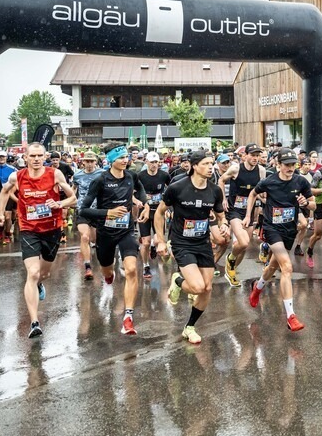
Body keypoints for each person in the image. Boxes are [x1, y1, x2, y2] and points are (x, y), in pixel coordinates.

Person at [0, 142, 77, 338]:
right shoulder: (17, 176)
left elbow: (73, 198)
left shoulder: (54, 174)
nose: (36, 159)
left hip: (52, 228)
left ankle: (40, 283)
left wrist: (58, 203)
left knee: (44, 274)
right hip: (28, 228)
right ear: (26, 157)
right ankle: (34, 322)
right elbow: (5, 191)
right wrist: (0, 213)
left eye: (40, 155)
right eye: (32, 156)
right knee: (32, 273)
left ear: (44, 156)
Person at [155, 150, 229, 345]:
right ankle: (178, 280)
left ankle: (189, 327)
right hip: (181, 242)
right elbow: (160, 213)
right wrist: (161, 240)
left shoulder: (214, 190)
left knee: (207, 288)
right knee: (197, 287)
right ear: (195, 166)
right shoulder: (177, 188)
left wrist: (224, 225)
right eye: (205, 163)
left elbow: (220, 215)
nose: (210, 166)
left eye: (211, 163)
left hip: (202, 242)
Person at [78, 145, 149, 335]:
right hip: (106, 232)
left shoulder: (131, 176)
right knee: (106, 269)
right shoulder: (100, 180)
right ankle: (109, 280)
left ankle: (128, 316)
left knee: (132, 269)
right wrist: (108, 212)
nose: (125, 161)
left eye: (126, 157)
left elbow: (140, 191)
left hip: (126, 230)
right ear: (111, 160)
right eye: (121, 158)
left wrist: (146, 204)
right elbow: (83, 210)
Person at [244, 149, 315, 332]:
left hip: (289, 230)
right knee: (287, 267)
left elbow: (313, 203)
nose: (290, 168)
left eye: (293, 164)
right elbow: (252, 193)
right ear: (278, 165)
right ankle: (291, 316)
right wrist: (248, 215)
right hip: (272, 228)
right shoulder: (269, 181)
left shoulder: (301, 181)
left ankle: (258, 288)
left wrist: (305, 203)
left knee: (274, 266)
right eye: (287, 165)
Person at [218, 144, 264, 287]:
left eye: (258, 156)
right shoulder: (236, 168)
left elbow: (260, 190)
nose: (255, 158)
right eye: (253, 155)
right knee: (243, 242)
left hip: (249, 211)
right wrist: (223, 199)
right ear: (245, 155)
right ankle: (230, 259)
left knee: (244, 246)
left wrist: (264, 200)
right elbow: (221, 180)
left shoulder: (261, 171)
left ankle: (231, 269)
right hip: (234, 210)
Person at [136, 152, 171, 281]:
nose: (154, 165)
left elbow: (172, 190)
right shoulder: (140, 176)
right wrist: (140, 201)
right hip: (144, 211)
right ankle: (146, 266)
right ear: (146, 162)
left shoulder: (164, 175)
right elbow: (132, 192)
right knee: (144, 242)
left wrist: (169, 207)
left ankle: (153, 245)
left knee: (157, 240)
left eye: (156, 162)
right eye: (152, 162)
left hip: (158, 212)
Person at [71, 152, 104, 280]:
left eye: (92, 161)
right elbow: (73, 189)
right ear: (83, 162)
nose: (89, 164)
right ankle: (87, 267)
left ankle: (101, 258)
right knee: (85, 237)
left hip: (97, 210)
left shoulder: (102, 174)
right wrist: (71, 200)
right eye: (87, 161)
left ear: (96, 162)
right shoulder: (77, 175)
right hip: (83, 210)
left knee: (95, 240)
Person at [0, 151, 18, 244]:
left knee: (8, 216)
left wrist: (13, 191)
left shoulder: (13, 169)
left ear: (6, 158)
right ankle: (1, 229)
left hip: (9, 193)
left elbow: (17, 182)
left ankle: (7, 234)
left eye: (3, 157)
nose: (1, 158)